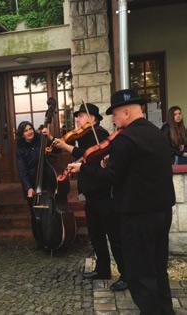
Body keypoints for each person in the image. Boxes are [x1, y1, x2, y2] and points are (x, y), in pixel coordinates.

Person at [68, 89, 175, 314]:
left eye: (114, 114)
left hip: (138, 215)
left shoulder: (126, 139)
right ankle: (165, 309)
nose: (113, 120)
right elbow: (142, 170)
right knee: (157, 266)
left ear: (126, 112)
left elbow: (111, 178)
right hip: (162, 210)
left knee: (140, 272)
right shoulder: (157, 133)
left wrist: (84, 169)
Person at [53, 103, 126, 291]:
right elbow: (85, 159)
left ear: (93, 118)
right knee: (96, 234)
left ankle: (126, 275)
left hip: (104, 195)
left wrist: (66, 147)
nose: (77, 119)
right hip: (92, 194)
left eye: (81, 116)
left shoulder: (99, 134)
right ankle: (102, 270)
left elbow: (92, 160)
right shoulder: (85, 137)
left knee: (114, 236)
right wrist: (74, 165)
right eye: (77, 116)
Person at [15, 121, 53, 249]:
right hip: (31, 182)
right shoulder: (20, 148)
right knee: (35, 213)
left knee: (50, 210)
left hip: (46, 178)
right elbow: (22, 170)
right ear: (22, 134)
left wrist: (49, 137)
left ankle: (53, 236)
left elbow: (56, 148)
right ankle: (40, 240)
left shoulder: (41, 140)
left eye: (30, 129)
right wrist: (28, 188)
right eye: (25, 130)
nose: (29, 132)